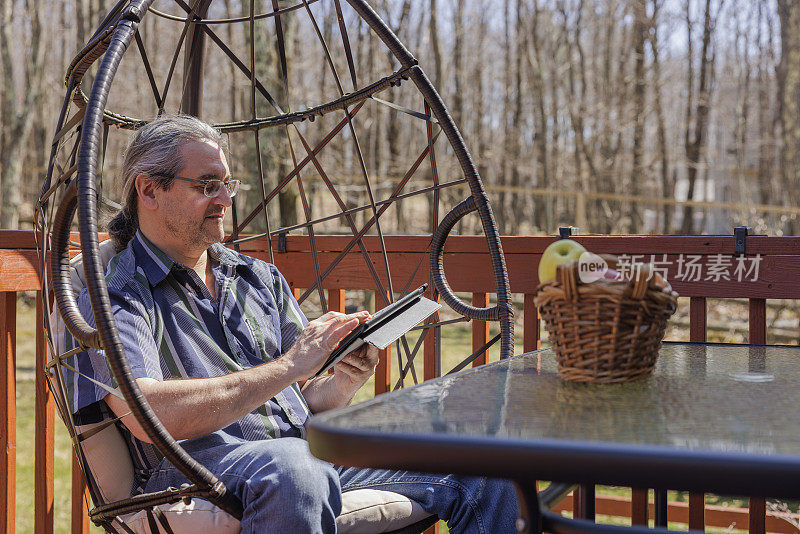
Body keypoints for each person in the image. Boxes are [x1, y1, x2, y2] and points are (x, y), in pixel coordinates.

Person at [69, 114, 519, 533]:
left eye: (227, 184)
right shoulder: (119, 290)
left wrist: (341, 382)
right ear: (148, 191)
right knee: (295, 466)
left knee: (476, 458)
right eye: (208, 185)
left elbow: (297, 396)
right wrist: (291, 365)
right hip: (202, 470)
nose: (225, 200)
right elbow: (148, 414)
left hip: (304, 453)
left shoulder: (256, 278)